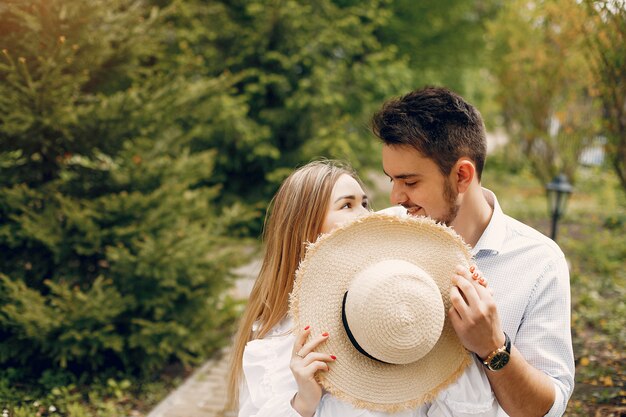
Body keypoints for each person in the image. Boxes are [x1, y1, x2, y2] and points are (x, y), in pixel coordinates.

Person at [225, 160, 498, 417]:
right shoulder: (280, 340)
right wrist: (303, 403)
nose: (367, 215)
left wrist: (452, 326)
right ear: (305, 227)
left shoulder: (408, 304)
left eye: (365, 203)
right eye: (347, 205)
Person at [371, 86, 575, 417]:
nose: (395, 197)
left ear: (462, 175)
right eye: (391, 180)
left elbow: (545, 409)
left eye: (409, 183)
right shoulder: (376, 237)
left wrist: (493, 347)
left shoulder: (539, 263)